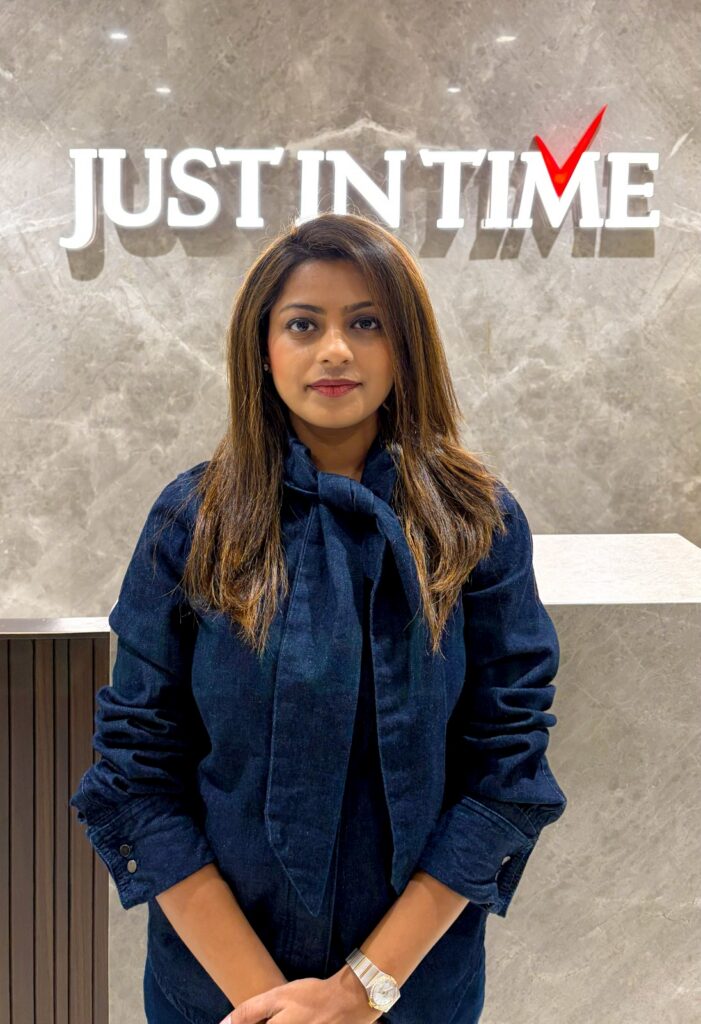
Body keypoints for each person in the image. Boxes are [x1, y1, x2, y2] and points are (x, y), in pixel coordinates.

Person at [69, 212, 568, 1024]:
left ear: (405, 347)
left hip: (409, 991)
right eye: (303, 324)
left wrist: (354, 994)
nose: (335, 350)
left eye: (366, 323)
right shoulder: (193, 521)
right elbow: (136, 777)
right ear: (262, 348)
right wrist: (271, 1006)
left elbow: (503, 776)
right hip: (219, 994)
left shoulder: (477, 523)